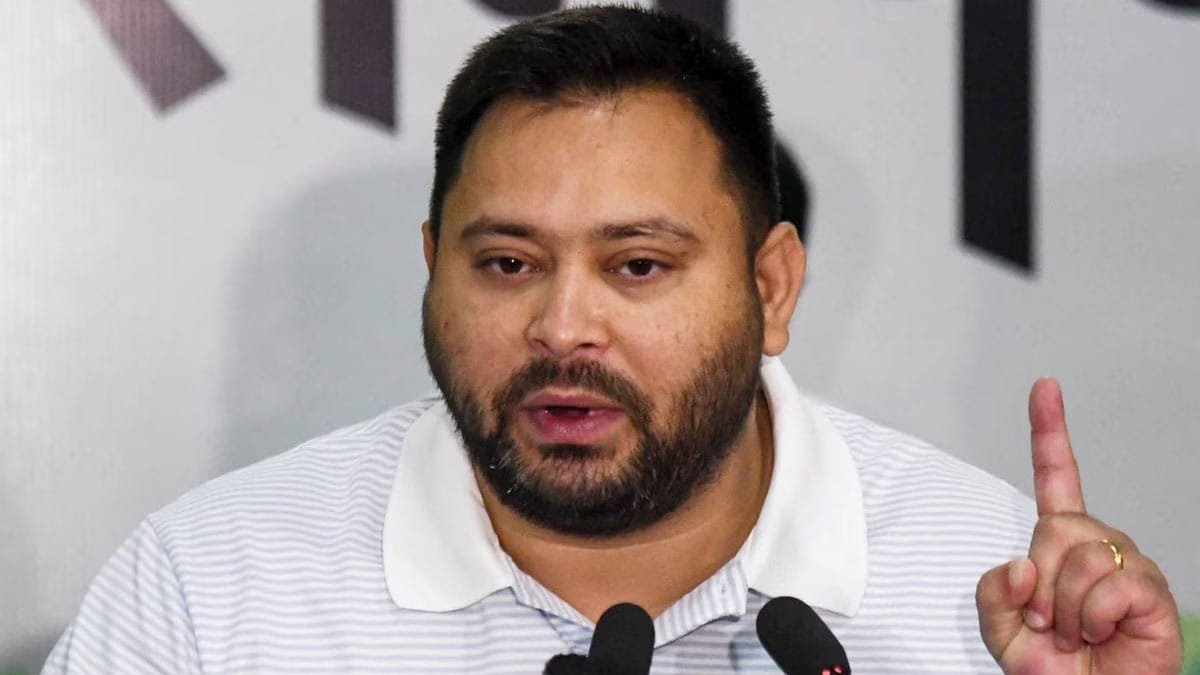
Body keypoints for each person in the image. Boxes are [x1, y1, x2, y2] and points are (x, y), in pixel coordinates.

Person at [44, 6, 1181, 673]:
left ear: (771, 286)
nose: (562, 329)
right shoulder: (212, 592)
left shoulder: (991, 589)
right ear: (433, 269)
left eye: (637, 266)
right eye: (507, 264)